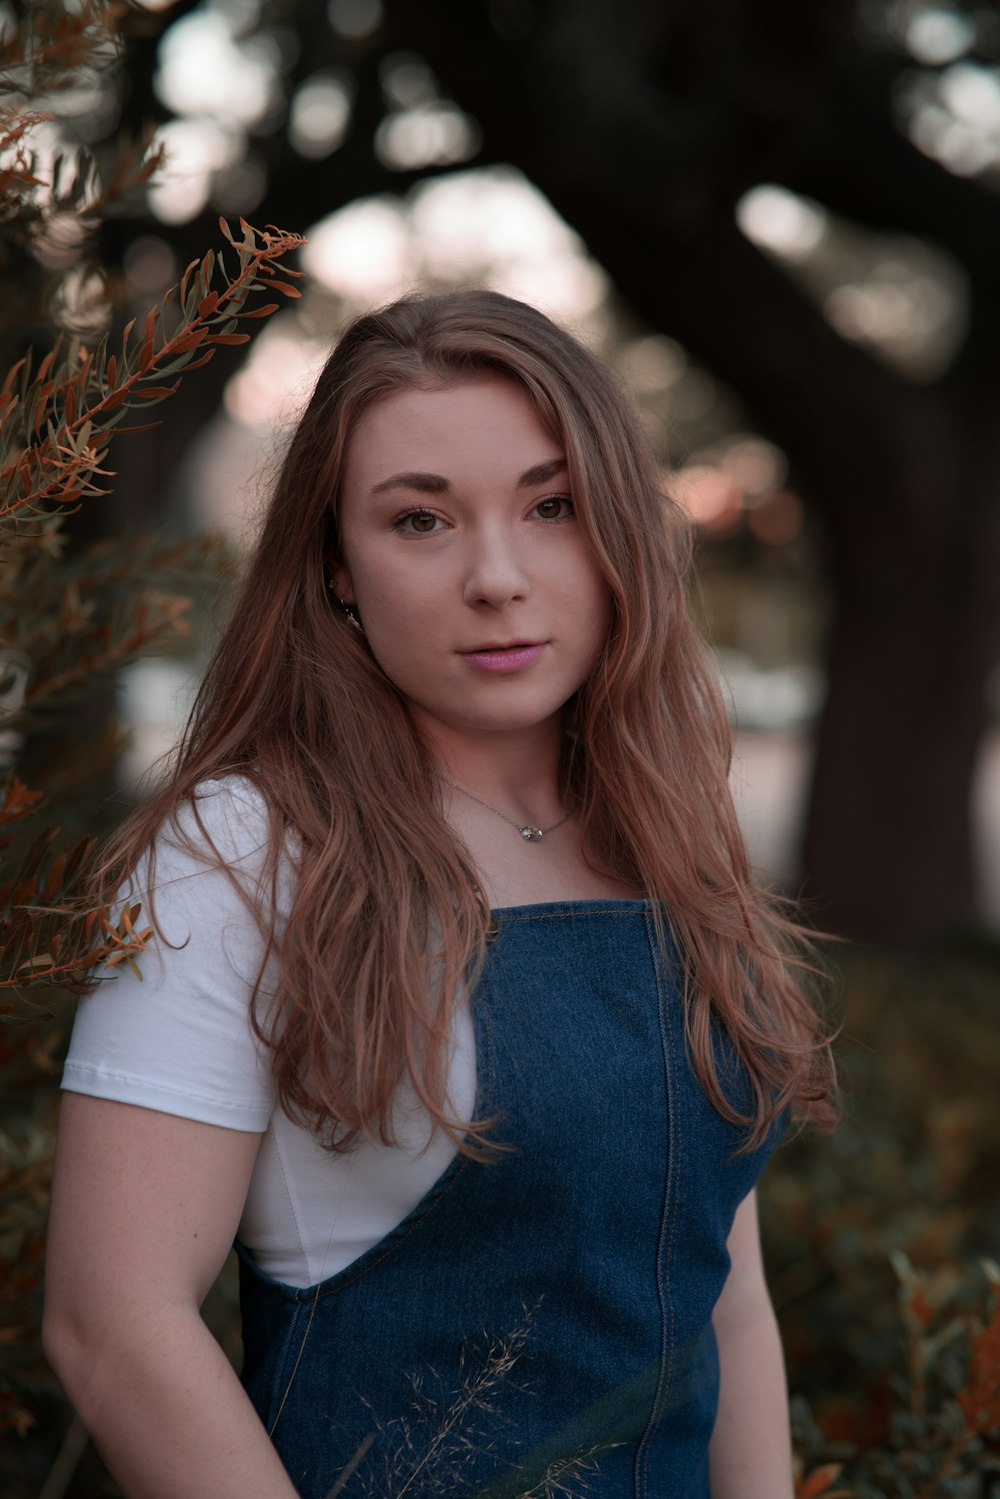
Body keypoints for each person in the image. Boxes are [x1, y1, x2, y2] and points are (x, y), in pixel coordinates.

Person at [43, 289, 836, 1499]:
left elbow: (723, 1304)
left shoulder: (672, 832)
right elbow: (115, 1324)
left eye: (551, 505)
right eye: (420, 519)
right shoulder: (246, 848)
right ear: (337, 570)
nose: (498, 577)